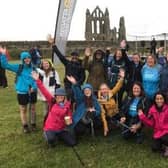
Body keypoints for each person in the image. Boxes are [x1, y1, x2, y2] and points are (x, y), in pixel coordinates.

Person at [32, 71, 76, 148]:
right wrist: (37, 80)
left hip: (61, 129)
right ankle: (47, 134)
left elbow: (69, 115)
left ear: (64, 97)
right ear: (55, 97)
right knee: (51, 140)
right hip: (50, 128)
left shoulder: (67, 105)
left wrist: (69, 120)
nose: (59, 98)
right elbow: (44, 91)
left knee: (72, 143)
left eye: (61, 97)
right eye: (58, 96)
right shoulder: (52, 102)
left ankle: (59, 136)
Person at [0, 46, 37, 133]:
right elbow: (5, 65)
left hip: (32, 92)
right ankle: (25, 126)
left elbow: (36, 79)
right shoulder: (19, 67)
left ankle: (33, 124)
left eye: (28, 57)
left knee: (33, 108)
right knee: (23, 109)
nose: (27, 59)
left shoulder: (33, 68)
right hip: (22, 92)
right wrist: (3, 55)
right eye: (25, 58)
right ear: (22, 59)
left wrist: (34, 87)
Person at [138, 91, 168, 157]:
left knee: (165, 138)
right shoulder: (152, 109)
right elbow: (150, 123)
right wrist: (142, 117)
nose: (159, 101)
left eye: (161, 98)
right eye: (157, 99)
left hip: (166, 131)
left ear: (164, 99)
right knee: (154, 148)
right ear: (154, 100)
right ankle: (164, 146)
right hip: (158, 132)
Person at [97, 68, 125, 136]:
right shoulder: (100, 101)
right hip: (108, 117)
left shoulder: (111, 93)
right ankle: (112, 125)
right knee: (111, 125)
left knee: (123, 117)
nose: (104, 91)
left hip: (115, 113)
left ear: (108, 89)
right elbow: (103, 116)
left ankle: (117, 123)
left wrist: (122, 78)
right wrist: (105, 127)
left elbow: (117, 87)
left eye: (105, 89)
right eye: (102, 89)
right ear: (100, 91)